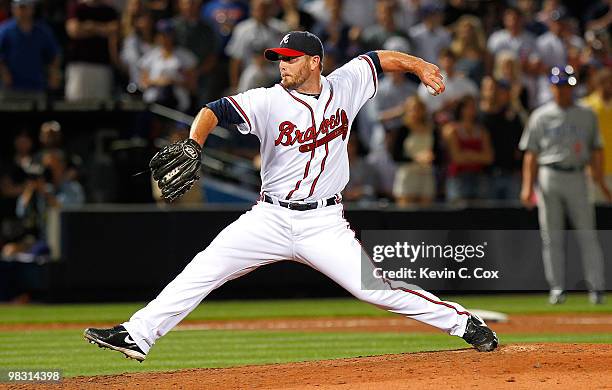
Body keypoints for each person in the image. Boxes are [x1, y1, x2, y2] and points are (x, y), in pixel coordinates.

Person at [83, 30, 498, 361]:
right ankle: (137, 335)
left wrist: (419, 65)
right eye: (279, 58)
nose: (282, 65)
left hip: (324, 223)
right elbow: (214, 109)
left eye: (290, 58)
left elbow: (379, 58)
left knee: (375, 289)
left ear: (314, 62)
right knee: (205, 266)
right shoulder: (266, 101)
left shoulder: (346, 85)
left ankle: (463, 324)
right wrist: (195, 143)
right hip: (270, 218)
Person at [519, 65, 611, 305]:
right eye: (559, 86)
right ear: (551, 86)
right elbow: (531, 153)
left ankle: (596, 288)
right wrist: (527, 186)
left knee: (587, 233)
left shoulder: (586, 113)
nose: (563, 90)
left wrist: (600, 180)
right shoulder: (540, 115)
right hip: (549, 174)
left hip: (578, 174)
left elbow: (596, 149)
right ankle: (557, 288)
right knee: (552, 235)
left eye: (567, 86)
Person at [0, 0, 60, 100]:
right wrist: (4, 72)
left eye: (25, 7)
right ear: (13, 9)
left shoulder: (42, 31)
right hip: (11, 87)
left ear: (32, 9)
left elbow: (55, 54)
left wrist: (53, 72)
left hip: (36, 86)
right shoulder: (5, 30)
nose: (22, 11)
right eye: (19, 7)